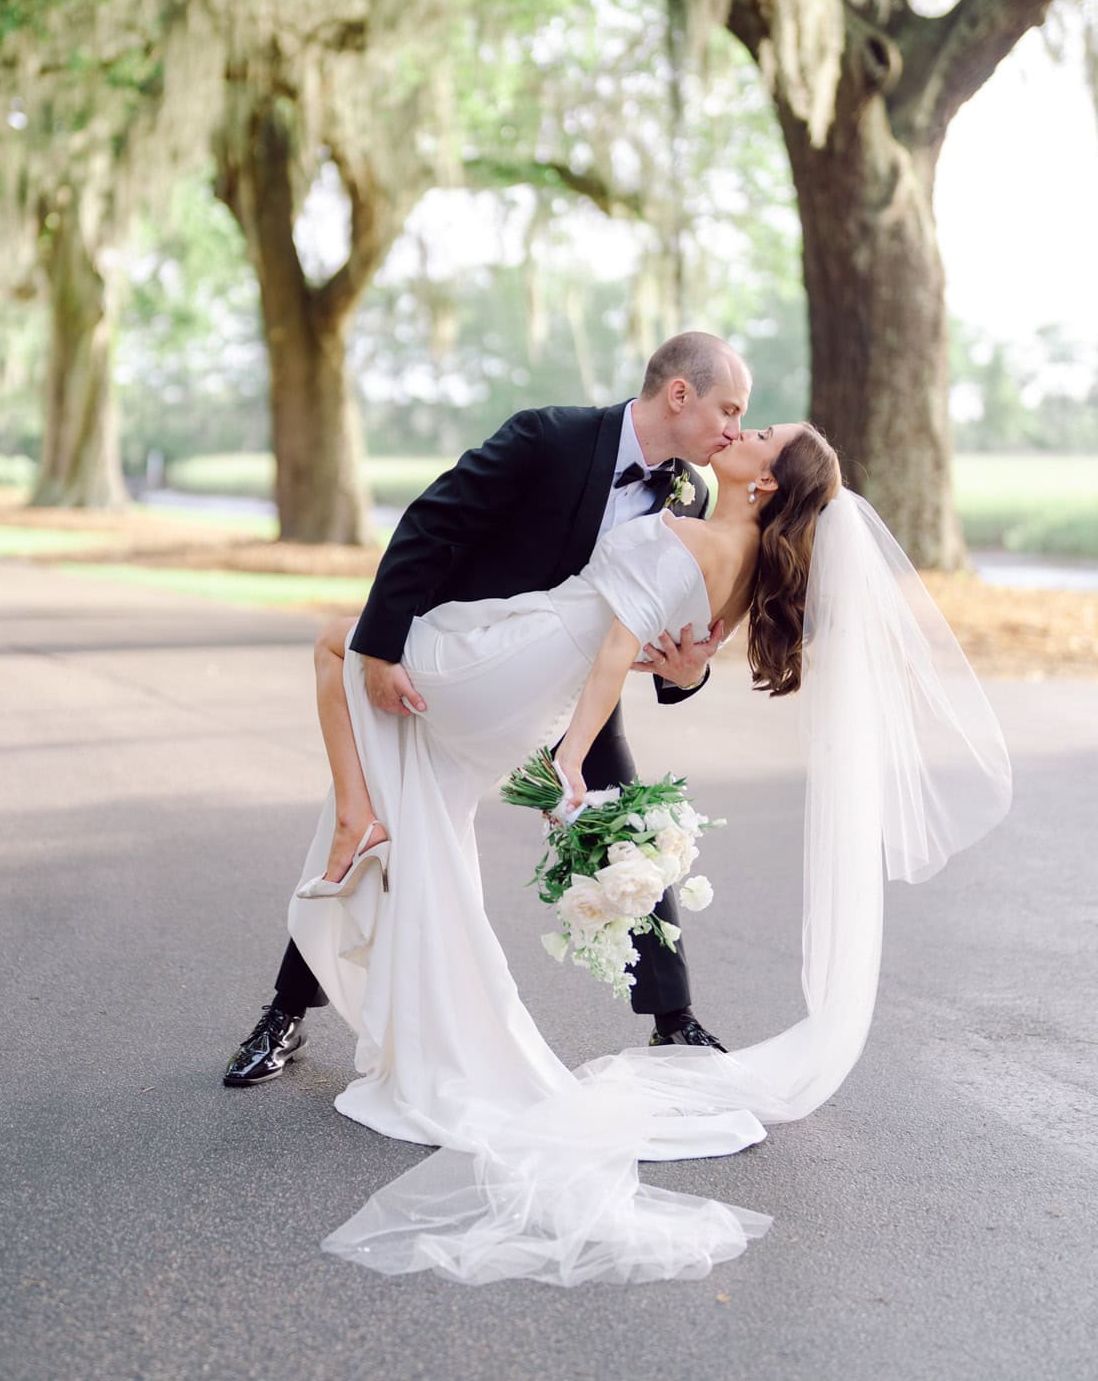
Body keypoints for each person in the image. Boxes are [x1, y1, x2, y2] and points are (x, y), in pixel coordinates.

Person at [277, 418, 1011, 1285]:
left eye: (759, 430)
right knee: (404, 756)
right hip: (536, 670)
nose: (744, 427)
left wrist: (570, 756)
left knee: (342, 643)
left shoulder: (691, 524)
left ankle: (357, 822)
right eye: (738, 413)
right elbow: (675, 649)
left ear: (767, 481)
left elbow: (621, 651)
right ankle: (359, 853)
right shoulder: (739, 561)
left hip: (523, 662)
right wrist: (664, 673)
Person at [224, 331, 753, 1088]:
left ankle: (676, 1022)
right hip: (475, 666)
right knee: (377, 827)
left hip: (574, 694)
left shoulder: (691, 498)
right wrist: (380, 650)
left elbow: (665, 635)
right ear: (680, 394)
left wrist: (686, 672)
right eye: (728, 409)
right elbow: (432, 523)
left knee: (633, 827)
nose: (734, 428)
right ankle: (284, 1015)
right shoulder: (550, 437)